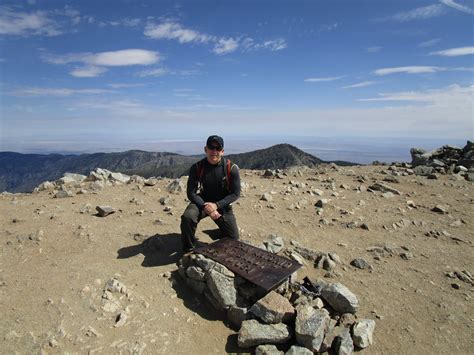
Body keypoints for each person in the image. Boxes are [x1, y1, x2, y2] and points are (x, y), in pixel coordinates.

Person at [180, 135, 240, 253]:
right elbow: (191, 193)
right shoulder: (197, 168)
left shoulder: (231, 168)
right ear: (205, 149)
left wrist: (216, 205)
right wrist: (206, 207)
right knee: (188, 217)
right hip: (202, 201)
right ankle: (188, 249)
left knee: (233, 239)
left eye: (218, 148)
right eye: (211, 147)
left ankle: (219, 231)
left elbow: (235, 193)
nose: (214, 151)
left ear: (222, 151)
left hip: (222, 204)